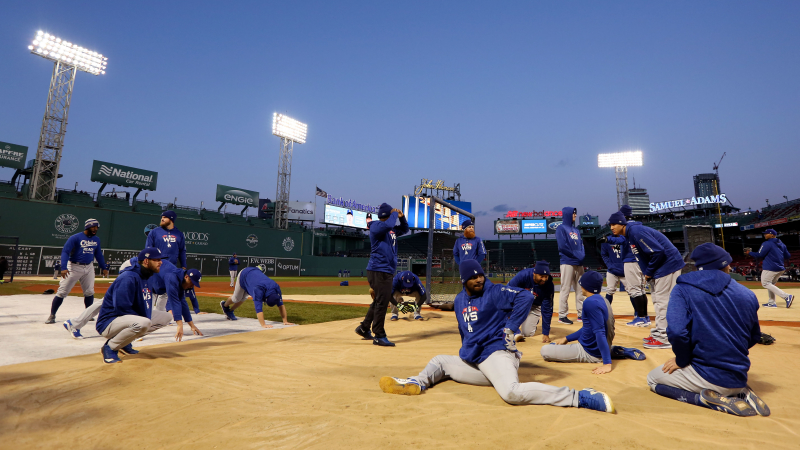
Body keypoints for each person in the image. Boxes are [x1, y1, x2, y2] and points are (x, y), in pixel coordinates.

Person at [378, 260, 615, 414]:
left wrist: (511, 326)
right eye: (474, 277)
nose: (479, 279)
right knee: (440, 361)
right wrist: (467, 350)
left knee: (511, 393)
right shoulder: (460, 300)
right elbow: (464, 330)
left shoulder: (493, 291)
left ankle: (580, 397)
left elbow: (524, 297)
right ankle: (415, 382)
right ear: (464, 281)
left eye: (480, 275)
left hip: (498, 353)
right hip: (477, 358)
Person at [646, 243, 769, 417]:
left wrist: (682, 360)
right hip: (740, 375)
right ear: (724, 265)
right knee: (727, 375)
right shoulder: (747, 294)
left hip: (706, 376)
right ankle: (741, 391)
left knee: (652, 379)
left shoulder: (682, 289)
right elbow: (754, 336)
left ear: (698, 266)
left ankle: (704, 399)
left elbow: (676, 332)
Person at [541, 271, 645, 374]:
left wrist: (607, 364)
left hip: (589, 351)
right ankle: (610, 350)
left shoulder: (589, 303)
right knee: (557, 345)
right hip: (598, 346)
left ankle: (605, 354)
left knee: (545, 351)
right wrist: (567, 338)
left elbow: (600, 332)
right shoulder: (604, 300)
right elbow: (589, 327)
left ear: (586, 286)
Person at [608, 212, 685, 349]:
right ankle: (660, 333)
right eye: (610, 225)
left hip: (667, 266)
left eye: (614, 224)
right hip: (661, 267)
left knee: (663, 302)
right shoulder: (630, 234)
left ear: (622, 223)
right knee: (657, 300)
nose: (611, 227)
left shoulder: (636, 231)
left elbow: (658, 252)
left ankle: (664, 337)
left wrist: (648, 272)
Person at [96, 247, 173, 364]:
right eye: (157, 260)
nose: (160, 262)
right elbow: (121, 307)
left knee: (166, 317)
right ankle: (110, 347)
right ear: (146, 261)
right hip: (109, 321)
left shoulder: (148, 276)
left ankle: (123, 342)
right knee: (144, 323)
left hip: (126, 319)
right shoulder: (128, 277)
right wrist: (142, 318)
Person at [355, 203, 409, 347]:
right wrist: (394, 214)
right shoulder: (376, 226)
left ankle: (363, 328)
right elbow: (388, 224)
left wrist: (402, 219)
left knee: (379, 300)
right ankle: (379, 334)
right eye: (391, 214)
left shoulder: (390, 230)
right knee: (382, 302)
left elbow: (405, 229)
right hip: (378, 270)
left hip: (385, 270)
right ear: (386, 215)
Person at [46, 219, 109, 324]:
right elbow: (65, 251)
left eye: (97, 227)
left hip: (88, 267)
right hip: (74, 266)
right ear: (87, 227)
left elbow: (98, 254)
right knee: (62, 292)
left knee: (89, 292)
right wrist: (64, 267)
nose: (95, 229)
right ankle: (52, 315)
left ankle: (88, 314)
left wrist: (103, 267)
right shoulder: (75, 238)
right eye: (93, 227)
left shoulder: (96, 239)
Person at [607, 205, 650, 327]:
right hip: (639, 261)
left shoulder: (627, 228)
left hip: (631, 260)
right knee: (640, 290)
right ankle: (644, 317)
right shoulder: (636, 225)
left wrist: (608, 240)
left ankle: (641, 318)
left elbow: (620, 240)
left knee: (634, 290)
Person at [220, 265, 295, 328]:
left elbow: (281, 305)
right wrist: (263, 324)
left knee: (244, 297)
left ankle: (230, 311)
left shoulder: (276, 288)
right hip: (244, 275)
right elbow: (258, 309)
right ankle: (225, 305)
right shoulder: (258, 290)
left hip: (254, 275)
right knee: (236, 298)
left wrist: (285, 321)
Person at [507, 261, 555, 343]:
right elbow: (508, 292)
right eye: (541, 276)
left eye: (546, 276)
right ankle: (514, 329)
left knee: (527, 333)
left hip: (535, 306)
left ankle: (529, 322)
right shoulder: (523, 276)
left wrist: (546, 333)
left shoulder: (549, 285)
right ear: (534, 273)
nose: (544, 279)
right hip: (519, 303)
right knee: (503, 312)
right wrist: (508, 313)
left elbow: (547, 309)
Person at [747, 229, 793, 308]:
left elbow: (759, 255)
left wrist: (749, 253)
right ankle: (771, 303)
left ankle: (786, 296)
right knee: (771, 284)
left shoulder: (767, 243)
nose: (765, 235)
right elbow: (788, 256)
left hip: (770, 267)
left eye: (767, 233)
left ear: (772, 235)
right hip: (780, 268)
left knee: (765, 283)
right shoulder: (782, 244)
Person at [556, 207, 585, 325]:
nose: (575, 215)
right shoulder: (561, 228)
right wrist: (576, 255)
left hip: (579, 263)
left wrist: (582, 255)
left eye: (575, 213)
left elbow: (581, 245)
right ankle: (562, 315)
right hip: (567, 262)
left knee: (580, 290)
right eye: (573, 213)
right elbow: (562, 247)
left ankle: (581, 314)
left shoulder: (576, 230)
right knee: (565, 289)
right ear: (567, 214)